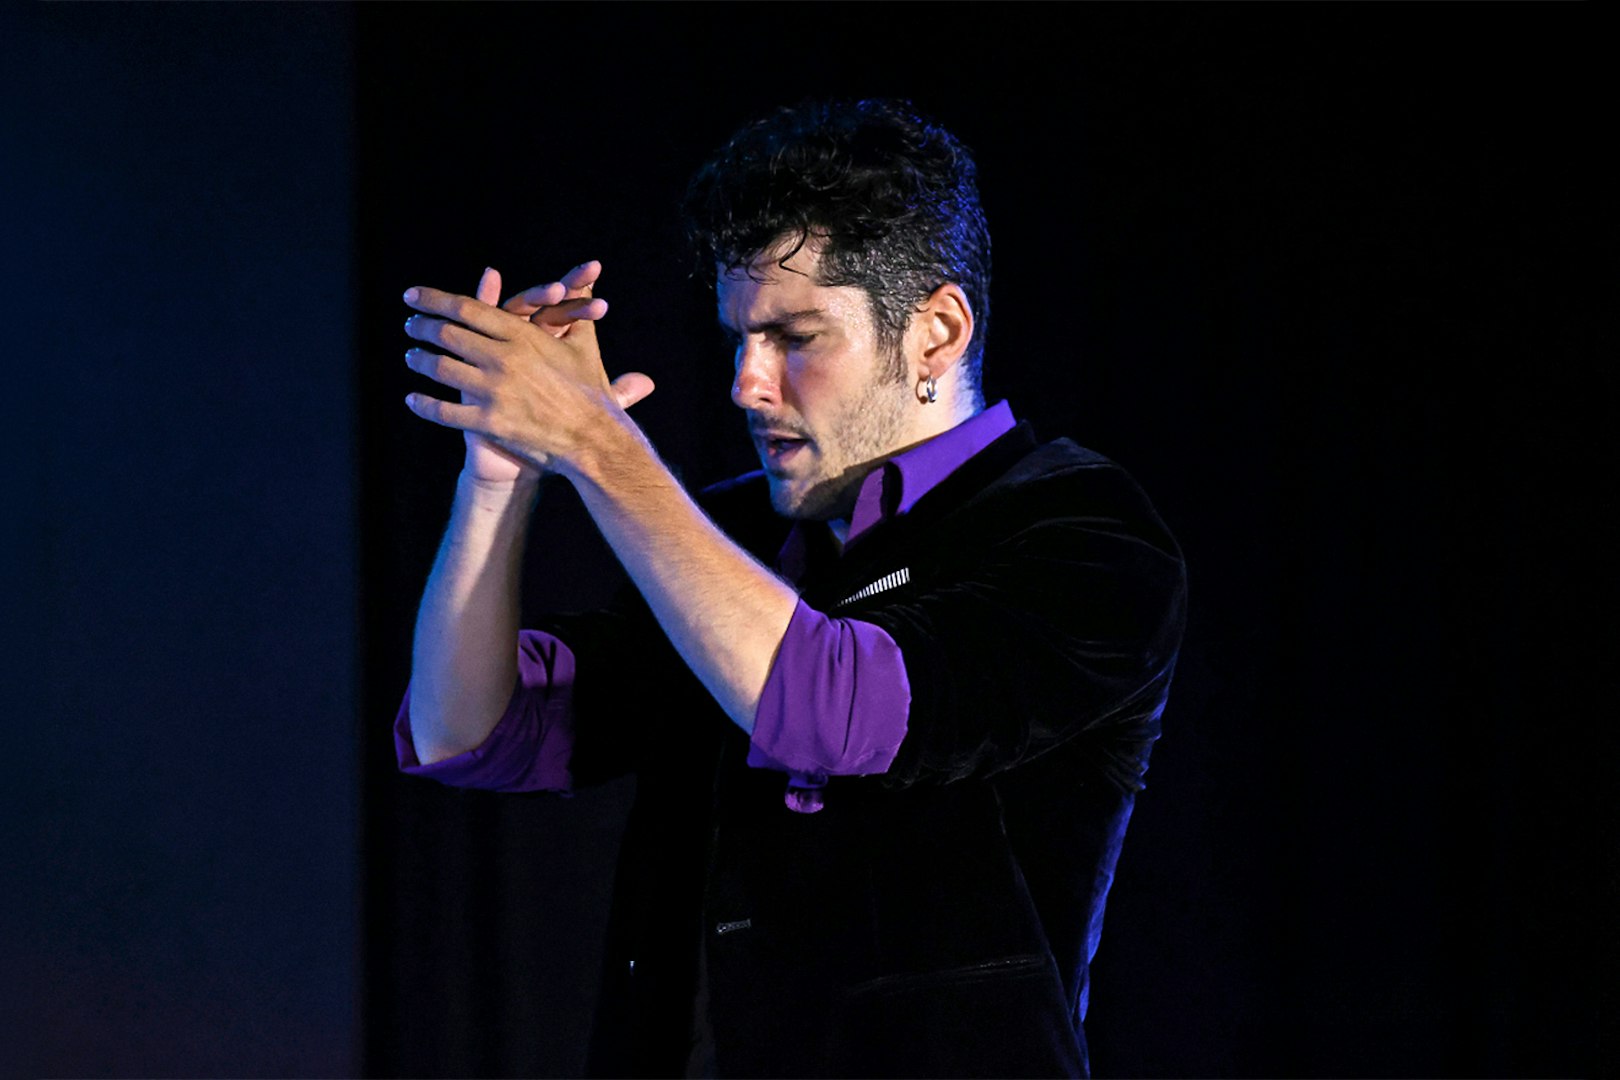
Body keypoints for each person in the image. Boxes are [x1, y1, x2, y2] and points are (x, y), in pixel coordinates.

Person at [393, 98, 1186, 1078]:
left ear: (936, 333)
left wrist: (597, 442)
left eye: (794, 337)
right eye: (739, 337)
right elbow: (467, 734)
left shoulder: (1082, 533)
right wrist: (499, 479)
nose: (746, 382)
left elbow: (834, 708)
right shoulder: (731, 533)